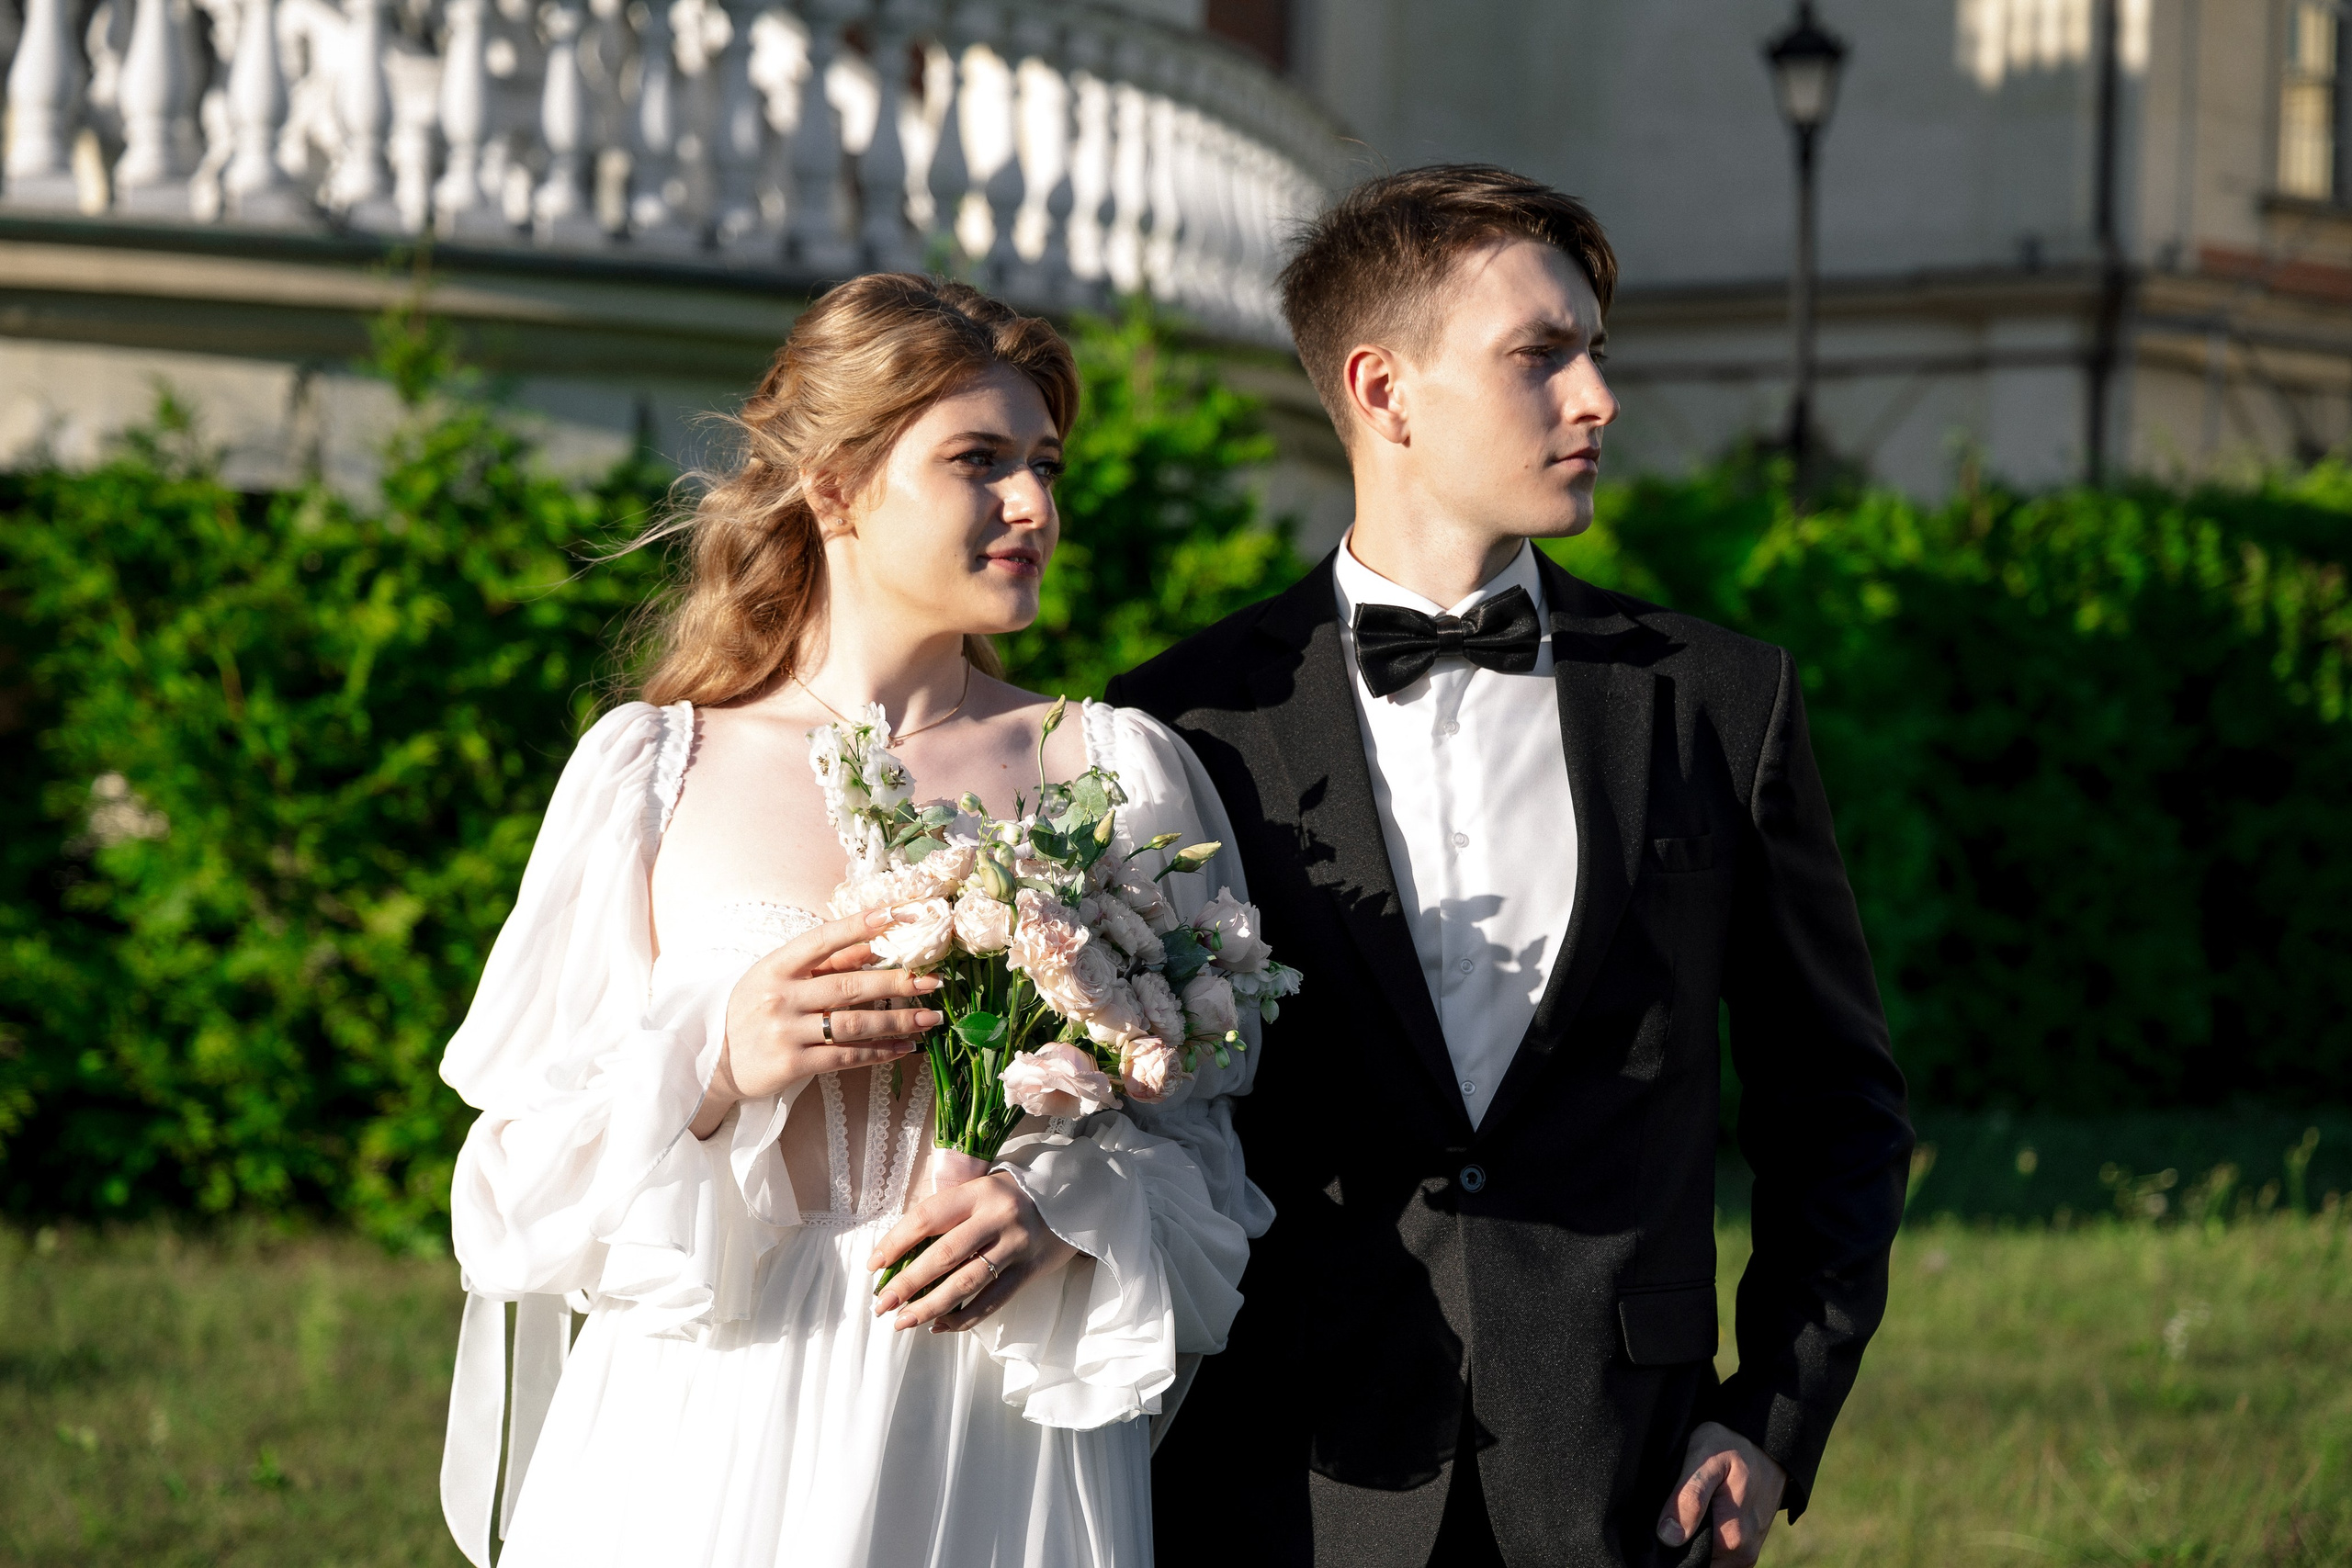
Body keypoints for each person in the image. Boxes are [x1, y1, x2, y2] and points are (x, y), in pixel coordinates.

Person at [1109, 165, 1915, 1568]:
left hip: (1627, 1476)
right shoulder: (1184, 726)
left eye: (1594, 350)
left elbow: (1835, 1107)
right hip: (1287, 1484)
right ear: (1384, 390)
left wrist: (1772, 1416)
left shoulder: (1718, 704)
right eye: (1541, 356)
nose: (1598, 397)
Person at [435, 273, 1268, 1568]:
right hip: (708, 1418)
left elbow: (1205, 1154)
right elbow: (515, 1188)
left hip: (984, 1431)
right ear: (833, 486)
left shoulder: (1107, 769)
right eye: (979, 461)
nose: (1035, 505)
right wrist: (718, 1061)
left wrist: (1064, 1210)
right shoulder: (654, 770)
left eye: (1045, 464)